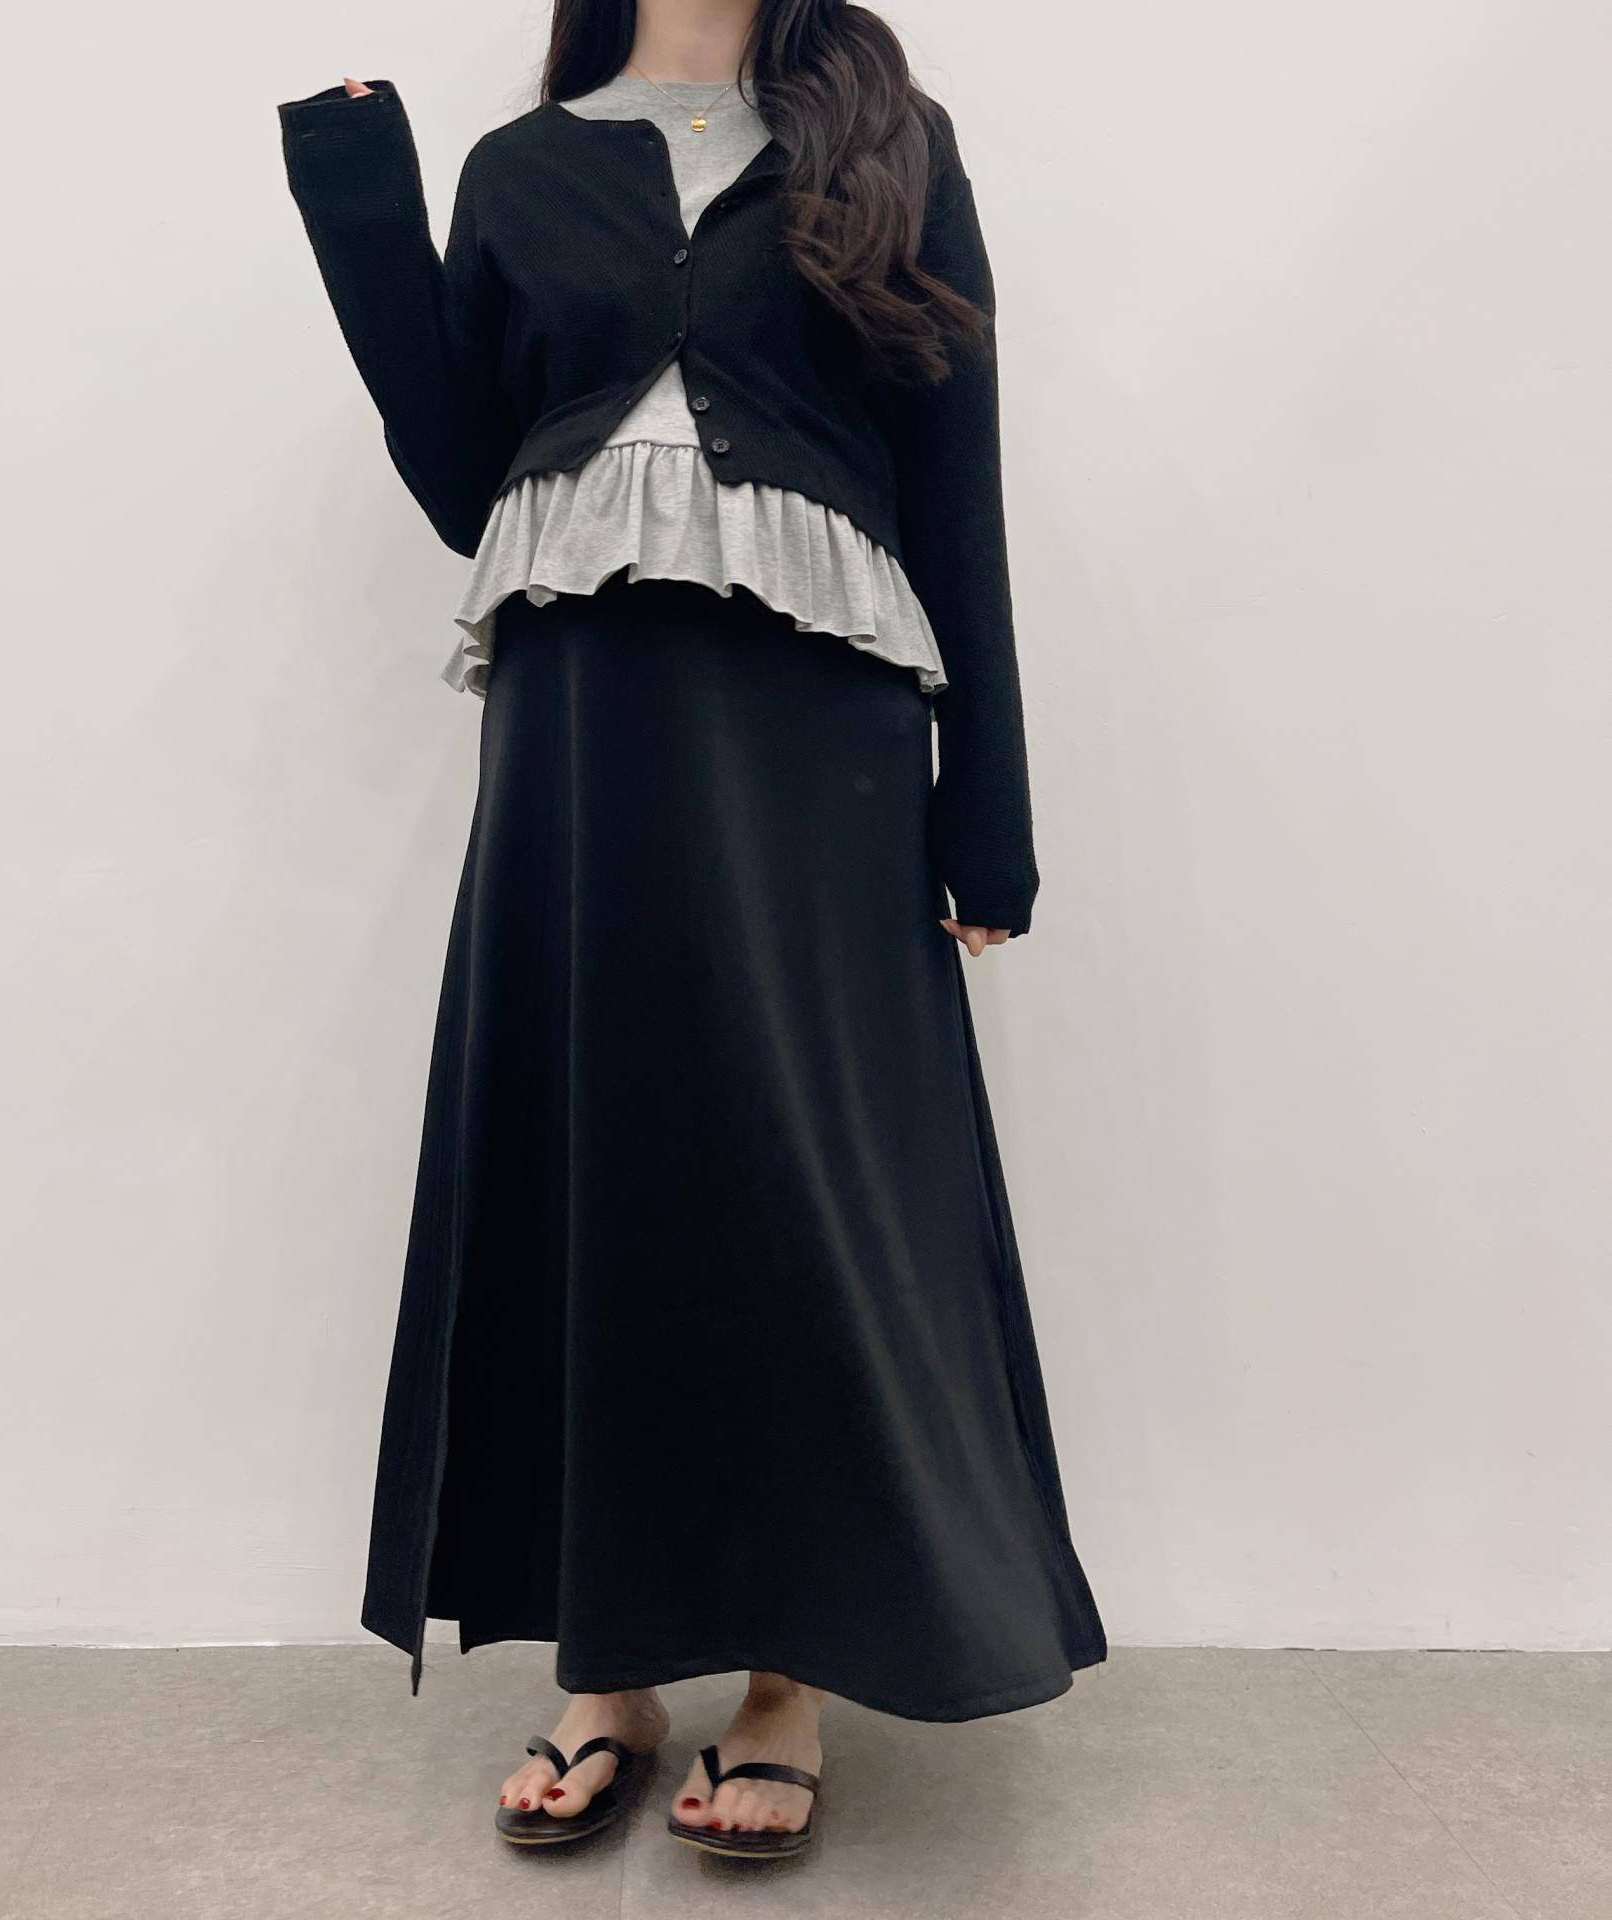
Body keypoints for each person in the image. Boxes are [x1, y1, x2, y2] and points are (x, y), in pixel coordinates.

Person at [278, 0, 1106, 1864]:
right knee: (603, 1155)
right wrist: (362, 209)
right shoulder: (523, 168)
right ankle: (612, 1666)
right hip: (579, 713)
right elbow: (469, 479)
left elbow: (954, 471)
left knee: (795, 1169)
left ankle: (786, 1678)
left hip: (822, 716)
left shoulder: (888, 139)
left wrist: (988, 805)